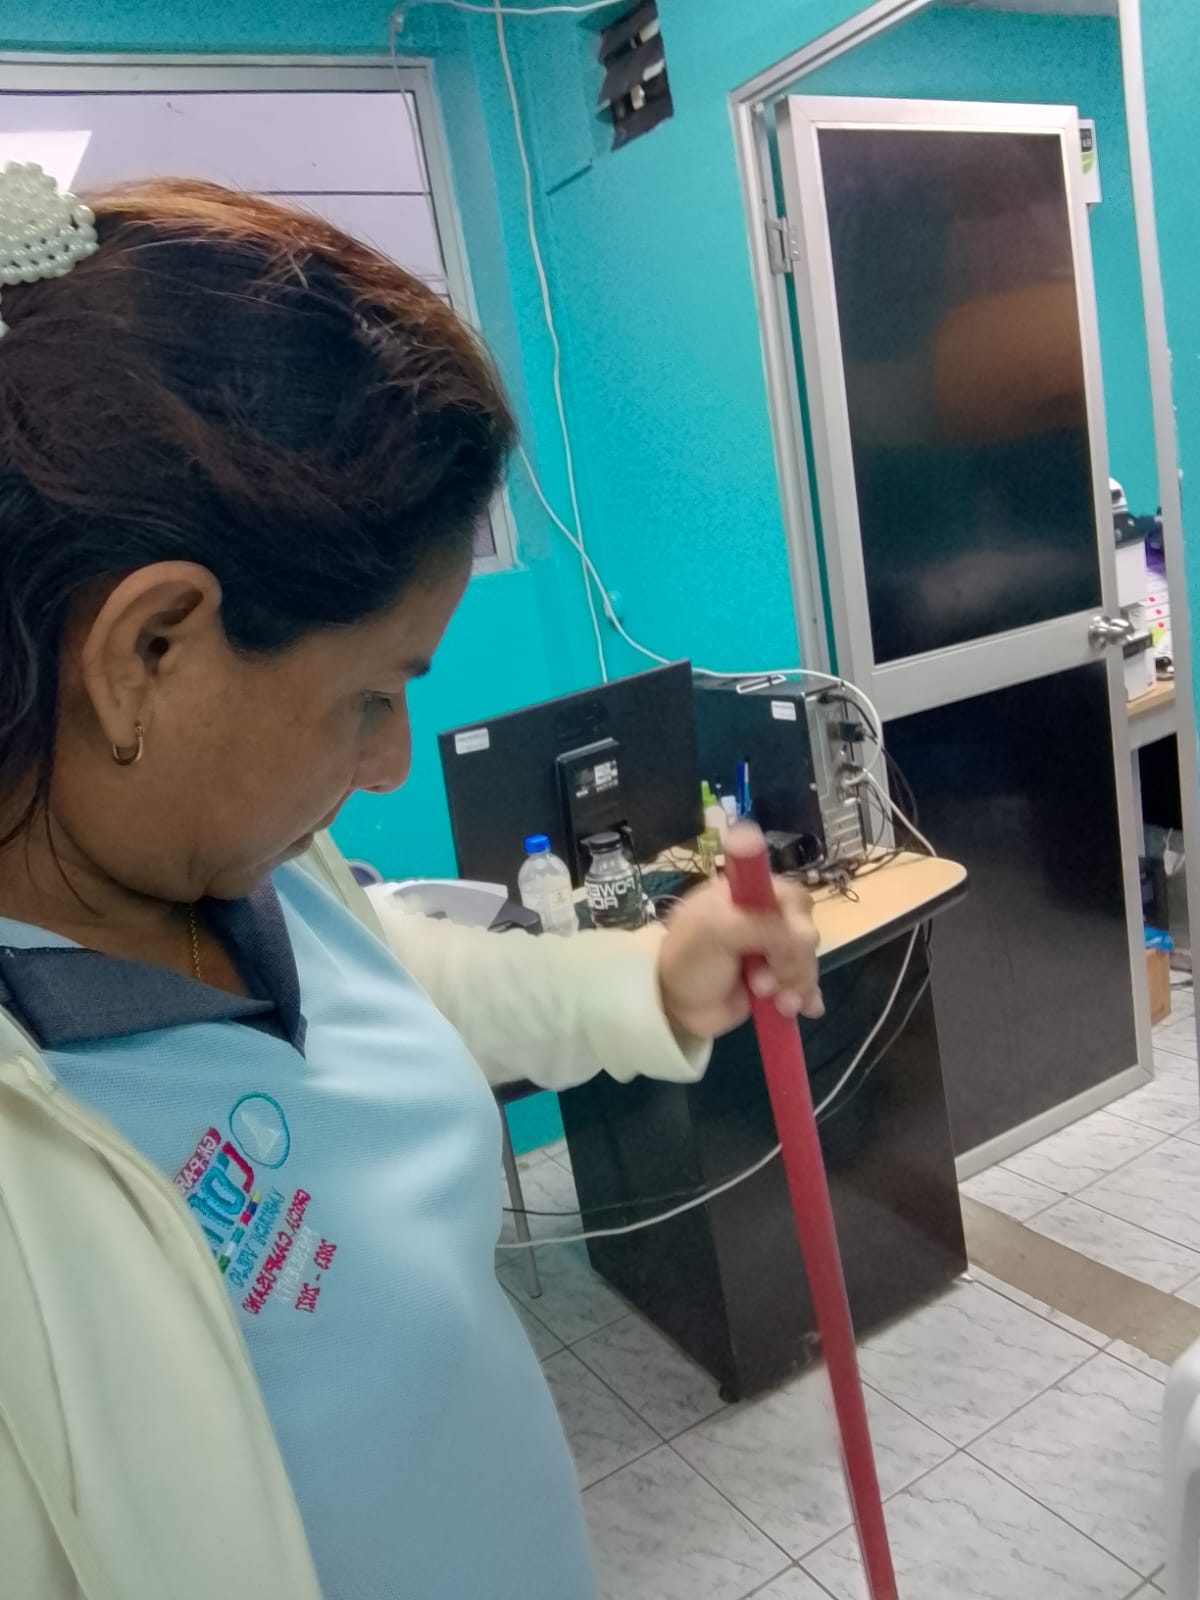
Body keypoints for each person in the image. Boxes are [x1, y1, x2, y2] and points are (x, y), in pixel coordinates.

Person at [0, 177, 822, 1600]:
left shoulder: (254, 866)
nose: (389, 763)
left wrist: (649, 977)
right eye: (371, 695)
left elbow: (398, 980)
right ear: (150, 652)